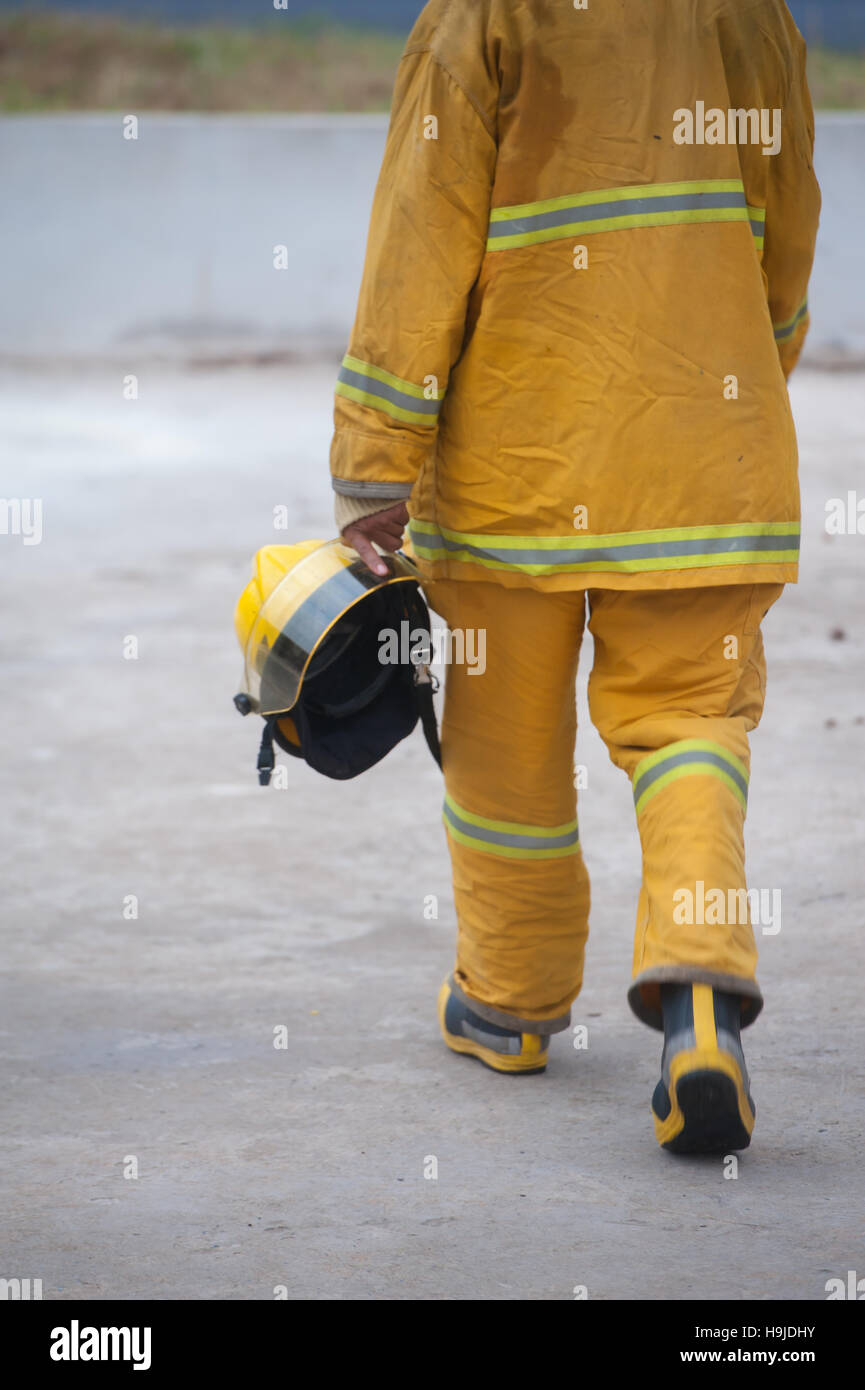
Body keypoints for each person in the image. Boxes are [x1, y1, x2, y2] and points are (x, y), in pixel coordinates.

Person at [329, 0, 820, 1153]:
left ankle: (508, 1003)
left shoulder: (484, 15)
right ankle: (699, 1002)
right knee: (691, 723)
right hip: (702, 459)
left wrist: (374, 463)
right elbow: (787, 217)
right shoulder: (753, 14)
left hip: (519, 469)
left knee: (505, 747)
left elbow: (419, 239)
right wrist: (747, 371)